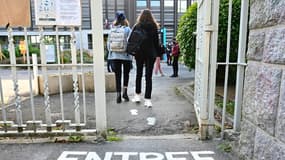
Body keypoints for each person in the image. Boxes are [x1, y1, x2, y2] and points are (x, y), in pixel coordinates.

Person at [132, 9, 160, 108]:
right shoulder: (153, 26)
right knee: (148, 76)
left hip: (139, 53)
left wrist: (133, 51)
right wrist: (158, 54)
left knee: (138, 74)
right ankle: (148, 100)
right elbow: (156, 42)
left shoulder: (137, 26)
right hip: (150, 54)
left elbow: (132, 40)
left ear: (141, 16)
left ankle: (137, 95)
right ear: (151, 16)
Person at [107, 11, 133, 103]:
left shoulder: (112, 29)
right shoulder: (127, 29)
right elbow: (130, 42)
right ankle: (125, 93)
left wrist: (110, 55)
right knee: (126, 74)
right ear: (124, 19)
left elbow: (108, 44)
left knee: (117, 76)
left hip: (115, 56)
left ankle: (118, 95)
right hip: (126, 56)